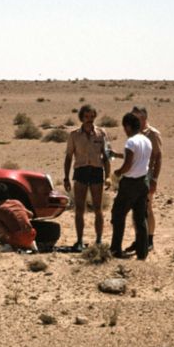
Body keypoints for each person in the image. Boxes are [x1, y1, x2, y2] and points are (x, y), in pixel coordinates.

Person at [63, 104, 111, 249]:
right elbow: (68, 157)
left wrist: (108, 176)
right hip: (81, 171)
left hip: (96, 171)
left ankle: (98, 240)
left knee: (98, 208)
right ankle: (79, 241)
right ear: (81, 118)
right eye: (86, 117)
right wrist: (66, 177)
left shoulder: (101, 134)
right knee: (79, 208)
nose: (89, 119)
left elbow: (107, 156)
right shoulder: (74, 135)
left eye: (91, 117)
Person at [109, 113, 152, 260]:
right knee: (140, 218)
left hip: (130, 184)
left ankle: (115, 250)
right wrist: (119, 155)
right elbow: (137, 158)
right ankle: (142, 252)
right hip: (143, 182)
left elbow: (128, 165)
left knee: (118, 215)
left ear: (127, 126)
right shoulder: (146, 141)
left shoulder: (130, 142)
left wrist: (117, 172)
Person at [125, 105, 163, 253]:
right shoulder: (134, 135)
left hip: (147, 175)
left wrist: (154, 179)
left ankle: (149, 240)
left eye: (137, 117)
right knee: (136, 210)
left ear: (144, 118)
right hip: (134, 175)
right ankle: (139, 239)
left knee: (147, 208)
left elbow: (158, 157)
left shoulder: (152, 134)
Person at [0, 183, 37, 251]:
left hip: (18, 238)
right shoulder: (17, 202)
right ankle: (30, 244)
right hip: (31, 235)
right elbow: (31, 215)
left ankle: (10, 245)